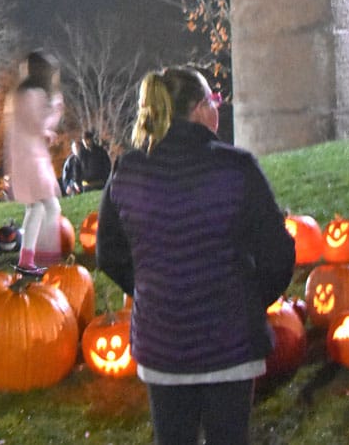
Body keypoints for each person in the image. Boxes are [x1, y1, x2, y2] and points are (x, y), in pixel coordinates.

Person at [96, 66, 295, 445]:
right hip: (231, 345)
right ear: (201, 108)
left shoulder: (128, 171)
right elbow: (278, 251)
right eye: (214, 100)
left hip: (161, 343)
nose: (217, 108)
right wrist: (250, 300)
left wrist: (155, 291)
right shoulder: (236, 168)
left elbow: (109, 254)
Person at [4, 50, 64, 275]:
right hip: (33, 160)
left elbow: (29, 126)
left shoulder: (18, 94)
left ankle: (27, 258)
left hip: (22, 158)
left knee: (36, 207)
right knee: (50, 206)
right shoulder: (35, 94)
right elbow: (38, 124)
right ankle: (46, 256)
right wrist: (55, 110)